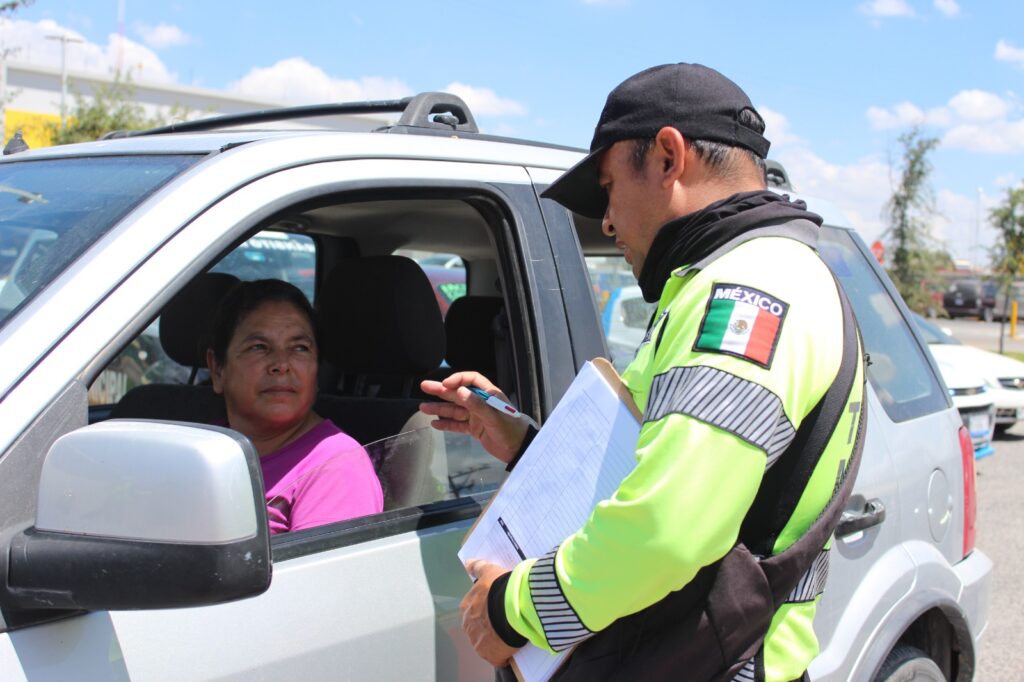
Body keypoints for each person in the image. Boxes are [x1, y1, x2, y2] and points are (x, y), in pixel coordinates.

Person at [420, 63, 864, 681]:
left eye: (607, 188)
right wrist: (524, 442)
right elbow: (647, 461)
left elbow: (667, 527)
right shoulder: (721, 282)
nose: (605, 220)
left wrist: (512, 609)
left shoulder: (747, 292)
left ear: (667, 157)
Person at [207, 279, 383, 534]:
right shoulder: (202, 448)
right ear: (217, 369)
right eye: (259, 347)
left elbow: (327, 573)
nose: (281, 364)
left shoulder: (335, 464)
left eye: (299, 348)